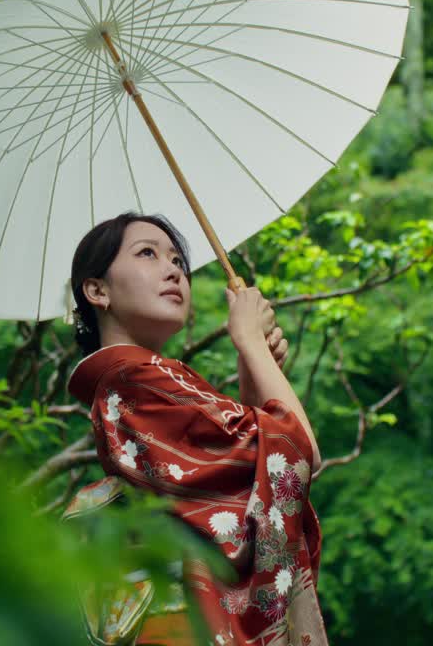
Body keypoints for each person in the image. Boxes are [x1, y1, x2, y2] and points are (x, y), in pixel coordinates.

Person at [65, 212, 328, 646]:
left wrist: (253, 361)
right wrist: (249, 342)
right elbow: (297, 453)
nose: (173, 270)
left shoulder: (150, 381)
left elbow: (247, 473)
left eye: (177, 261)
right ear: (97, 290)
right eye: (147, 253)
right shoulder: (136, 382)